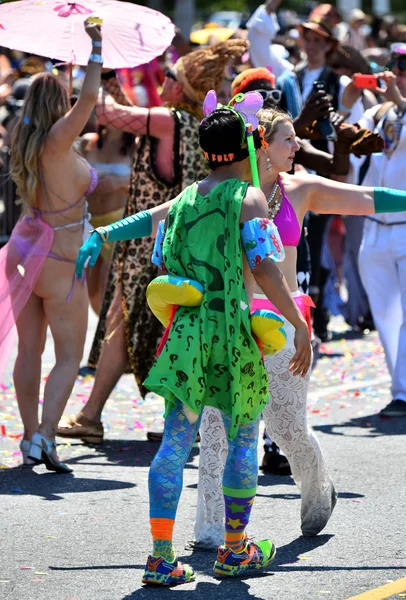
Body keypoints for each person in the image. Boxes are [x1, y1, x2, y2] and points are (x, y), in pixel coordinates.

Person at [77, 90, 312, 585]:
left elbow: (160, 255)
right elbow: (266, 271)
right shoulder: (247, 199)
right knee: (243, 435)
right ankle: (233, 550)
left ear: (205, 151)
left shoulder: (183, 201)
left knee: (176, 443)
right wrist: (299, 323)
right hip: (232, 335)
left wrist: (102, 234)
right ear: (248, 144)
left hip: (185, 337)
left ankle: (161, 558)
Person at [191, 105, 406, 549]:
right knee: (214, 429)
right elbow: (164, 215)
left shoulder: (300, 188)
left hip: (283, 321)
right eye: (289, 139)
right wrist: (102, 234)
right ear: (262, 144)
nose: (299, 147)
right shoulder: (226, 190)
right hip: (230, 321)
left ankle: (317, 488)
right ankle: (210, 531)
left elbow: (363, 198)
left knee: (287, 428)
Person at [57, 40, 248, 444]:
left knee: (125, 328)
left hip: (153, 244)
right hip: (180, 241)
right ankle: (185, 416)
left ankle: (91, 416)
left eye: (170, 76)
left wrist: (97, 70)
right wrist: (109, 79)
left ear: (182, 88)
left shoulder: (167, 119)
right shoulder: (192, 122)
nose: (163, 79)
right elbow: (127, 110)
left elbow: (110, 114)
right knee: (164, 330)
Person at [0, 19, 102, 470]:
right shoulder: (60, 141)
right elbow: (92, 99)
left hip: (26, 258)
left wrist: (68, 71)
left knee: (28, 352)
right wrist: (96, 49)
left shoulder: (24, 139)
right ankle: (44, 437)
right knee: (68, 357)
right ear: (60, 104)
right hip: (60, 263)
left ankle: (29, 439)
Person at [342, 46, 406, 417]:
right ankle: (401, 388)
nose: (399, 73)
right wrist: (347, 101)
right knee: (386, 316)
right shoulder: (375, 113)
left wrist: (402, 102)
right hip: (375, 228)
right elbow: (350, 151)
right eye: (396, 67)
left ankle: (401, 394)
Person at [80, 125, 133, 314]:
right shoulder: (88, 142)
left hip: (116, 224)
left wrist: (118, 183)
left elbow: (144, 181)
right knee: (91, 290)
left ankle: (110, 336)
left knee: (107, 284)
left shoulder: (135, 144)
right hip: (89, 223)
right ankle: (103, 333)